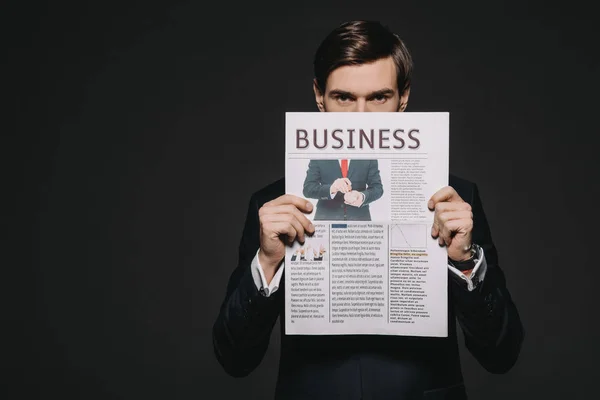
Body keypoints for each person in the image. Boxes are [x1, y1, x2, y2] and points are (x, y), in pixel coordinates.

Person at [213, 20, 523, 399]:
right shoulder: (273, 206)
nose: (360, 117)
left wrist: (465, 261)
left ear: (403, 98)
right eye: (344, 97)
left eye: (378, 97)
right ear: (319, 97)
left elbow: (502, 354)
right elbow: (234, 359)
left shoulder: (457, 199)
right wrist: (267, 262)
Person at [303, 158, 383, 220]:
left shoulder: (368, 156)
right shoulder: (320, 155)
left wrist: (362, 197)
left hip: (360, 221)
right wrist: (332, 189)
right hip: (326, 219)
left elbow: (377, 188)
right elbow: (308, 188)